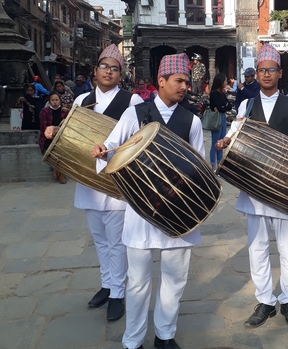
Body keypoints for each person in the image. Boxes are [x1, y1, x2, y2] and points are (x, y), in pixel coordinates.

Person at [92, 53, 204, 349]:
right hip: (141, 209)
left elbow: (200, 164)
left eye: (186, 82)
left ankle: (164, 336)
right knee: (138, 282)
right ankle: (133, 341)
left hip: (179, 211)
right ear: (161, 81)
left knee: (174, 280)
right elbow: (114, 146)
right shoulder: (135, 113)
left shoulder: (191, 120)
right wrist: (105, 151)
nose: (184, 87)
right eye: (179, 81)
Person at [216, 44, 288, 330]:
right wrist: (225, 141)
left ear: (279, 73)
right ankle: (264, 300)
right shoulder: (246, 105)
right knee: (257, 247)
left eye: (270, 70)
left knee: (287, 248)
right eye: (261, 70)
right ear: (256, 73)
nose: (265, 74)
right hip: (254, 187)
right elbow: (234, 134)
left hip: (283, 188)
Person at [45, 44, 143, 322]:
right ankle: (107, 284)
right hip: (88, 180)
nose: (109, 71)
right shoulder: (82, 100)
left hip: (114, 184)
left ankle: (118, 294)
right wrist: (54, 129)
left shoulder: (131, 101)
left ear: (120, 73)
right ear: (95, 71)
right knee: (100, 240)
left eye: (114, 68)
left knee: (116, 241)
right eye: (104, 66)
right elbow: (69, 133)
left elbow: (137, 139)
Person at [39, 91, 69, 183]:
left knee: (64, 148)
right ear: (49, 101)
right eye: (53, 100)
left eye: (56, 100)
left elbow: (69, 125)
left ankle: (57, 170)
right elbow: (43, 127)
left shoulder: (64, 111)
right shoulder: (44, 111)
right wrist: (53, 130)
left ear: (60, 100)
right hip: (48, 137)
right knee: (54, 149)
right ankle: (60, 174)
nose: (55, 102)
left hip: (62, 137)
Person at [209, 73, 232, 171]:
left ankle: (219, 163)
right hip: (216, 119)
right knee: (215, 143)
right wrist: (224, 107)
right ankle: (213, 165)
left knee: (222, 142)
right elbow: (220, 108)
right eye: (225, 80)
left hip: (222, 118)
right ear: (220, 81)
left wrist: (224, 106)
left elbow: (229, 106)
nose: (226, 82)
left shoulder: (222, 93)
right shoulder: (214, 93)